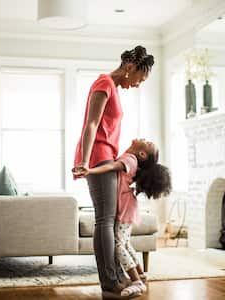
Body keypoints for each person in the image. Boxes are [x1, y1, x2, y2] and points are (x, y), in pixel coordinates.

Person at [72, 46, 154, 299]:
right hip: (98, 156)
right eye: (140, 78)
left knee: (107, 220)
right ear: (130, 68)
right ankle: (110, 281)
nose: (138, 84)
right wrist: (85, 161)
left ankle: (115, 277)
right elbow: (91, 124)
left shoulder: (113, 88)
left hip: (104, 155)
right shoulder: (104, 82)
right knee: (105, 221)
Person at [73, 138, 172, 297]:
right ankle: (140, 274)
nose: (144, 139)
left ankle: (135, 280)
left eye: (148, 143)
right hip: (129, 207)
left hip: (125, 208)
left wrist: (89, 171)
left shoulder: (130, 159)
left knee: (119, 244)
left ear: (141, 153)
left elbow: (111, 166)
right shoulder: (132, 159)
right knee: (125, 242)